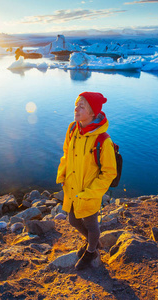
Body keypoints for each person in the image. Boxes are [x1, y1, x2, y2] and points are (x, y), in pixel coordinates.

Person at [56, 91, 117, 270]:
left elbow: (109, 173)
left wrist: (91, 193)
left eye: (82, 106)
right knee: (73, 220)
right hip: (73, 187)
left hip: (90, 191)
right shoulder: (73, 128)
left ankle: (91, 252)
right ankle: (93, 243)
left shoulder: (103, 140)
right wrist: (62, 174)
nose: (77, 108)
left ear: (93, 113)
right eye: (77, 104)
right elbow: (67, 154)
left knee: (91, 224)